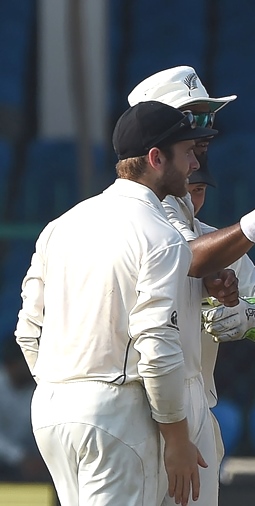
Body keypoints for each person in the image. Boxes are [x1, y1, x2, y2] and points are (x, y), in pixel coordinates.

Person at [15, 101, 217, 506]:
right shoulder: (161, 236)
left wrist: (66, 388)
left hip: (53, 410)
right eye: (188, 152)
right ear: (156, 158)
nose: (195, 163)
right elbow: (158, 345)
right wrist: (176, 439)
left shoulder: (61, 225)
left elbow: (27, 330)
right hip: (115, 414)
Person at [128, 65, 255, 505]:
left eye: (205, 119)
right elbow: (188, 256)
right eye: (191, 118)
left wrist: (245, 316)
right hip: (134, 408)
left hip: (197, 408)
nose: (202, 134)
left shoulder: (216, 240)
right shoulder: (130, 224)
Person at [0, 339, 48, 482]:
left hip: (34, 459)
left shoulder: (41, 385)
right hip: (7, 457)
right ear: (9, 365)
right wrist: (20, 457)